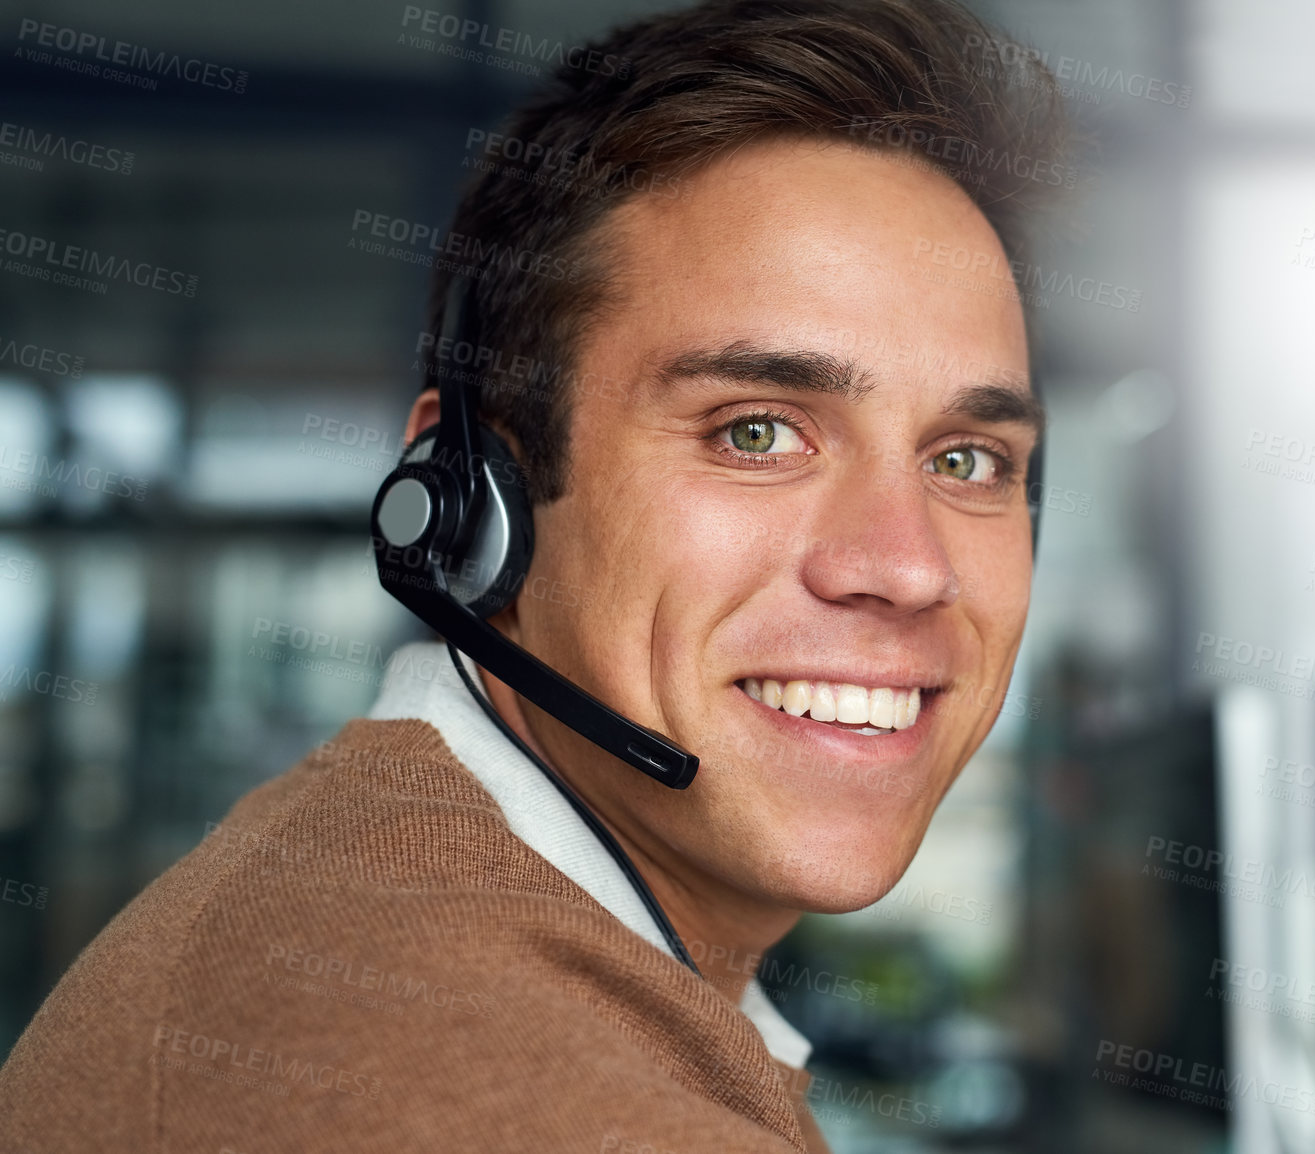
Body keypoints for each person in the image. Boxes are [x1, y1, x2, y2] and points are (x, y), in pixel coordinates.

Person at [0, 0, 1069, 1148]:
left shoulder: (390, 906)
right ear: (472, 494)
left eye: (968, 459)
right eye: (757, 431)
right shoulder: (502, 1091)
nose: (907, 566)